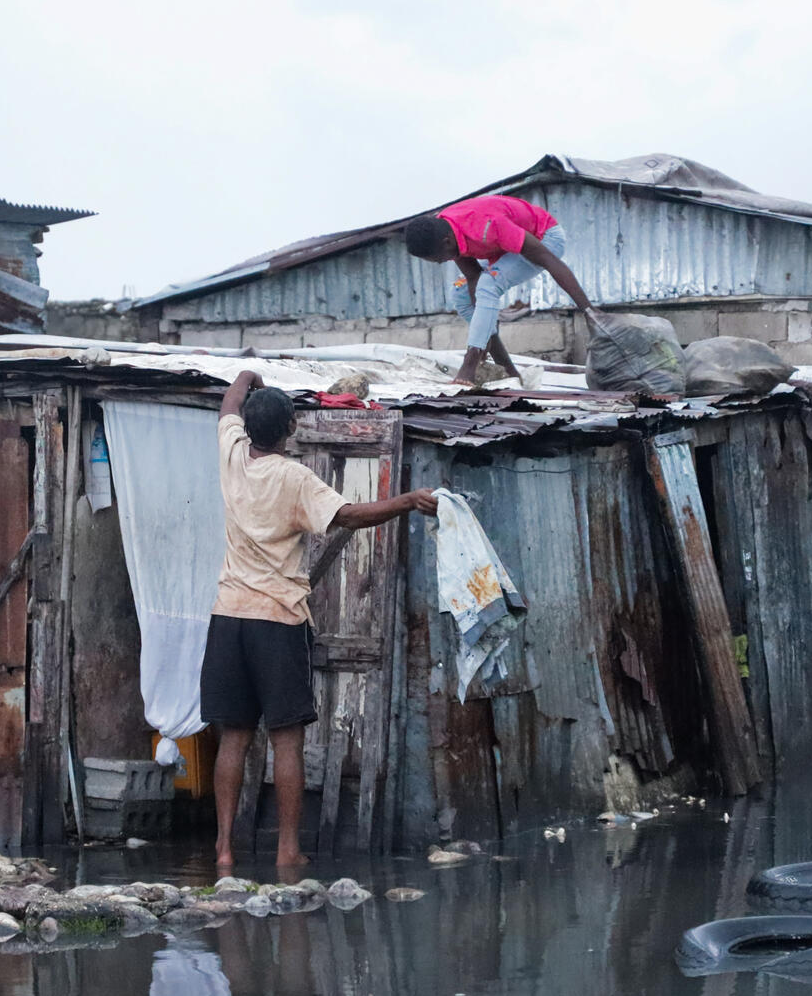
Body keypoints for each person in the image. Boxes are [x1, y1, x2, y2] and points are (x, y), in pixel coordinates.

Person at [204, 370, 436, 871]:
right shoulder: (293, 478)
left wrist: (248, 375)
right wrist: (407, 501)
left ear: (248, 427)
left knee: (235, 738)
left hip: (228, 619)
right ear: (289, 429)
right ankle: (288, 850)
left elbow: (229, 401)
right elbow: (349, 515)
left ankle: (224, 849)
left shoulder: (230, 455)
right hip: (277, 620)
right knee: (286, 740)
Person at [403, 195, 596, 385]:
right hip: (505, 247)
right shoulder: (446, 229)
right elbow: (473, 277)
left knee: (489, 284)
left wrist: (589, 312)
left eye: (440, 258)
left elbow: (549, 260)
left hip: (545, 239)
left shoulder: (487, 225)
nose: (441, 262)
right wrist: (485, 331)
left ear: (446, 242)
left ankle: (469, 365)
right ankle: (507, 370)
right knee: (461, 295)